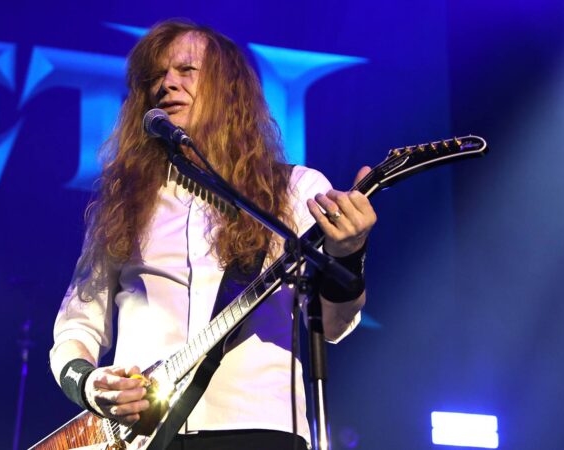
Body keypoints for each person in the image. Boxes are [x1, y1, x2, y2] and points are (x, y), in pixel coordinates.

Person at [50, 19, 376, 449]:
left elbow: (333, 326)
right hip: (143, 437)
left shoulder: (294, 190)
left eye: (186, 71)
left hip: (256, 427)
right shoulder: (124, 203)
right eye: (156, 76)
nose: (167, 84)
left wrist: (348, 253)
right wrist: (90, 385)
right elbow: (75, 327)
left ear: (228, 91)